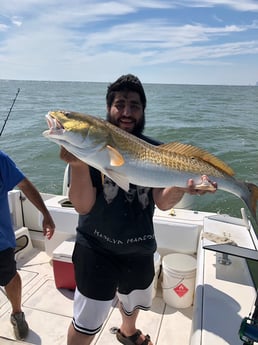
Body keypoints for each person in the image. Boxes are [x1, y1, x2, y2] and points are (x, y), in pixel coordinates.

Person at [60, 74, 217, 345]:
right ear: (108, 109)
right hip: (96, 249)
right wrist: (77, 164)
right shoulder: (92, 151)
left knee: (133, 305)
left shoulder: (157, 149)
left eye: (134, 105)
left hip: (139, 247)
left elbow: (163, 202)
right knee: (85, 323)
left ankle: (128, 332)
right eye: (119, 104)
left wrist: (183, 186)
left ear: (143, 111)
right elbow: (83, 206)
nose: (126, 112)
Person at [0, 150, 55, 340]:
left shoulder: (0, 160)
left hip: (1, 242)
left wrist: (46, 214)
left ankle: (17, 314)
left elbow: (24, 184)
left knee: (10, 277)